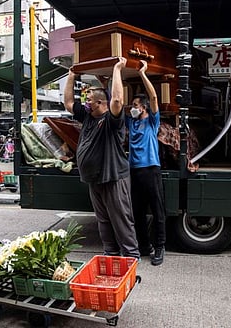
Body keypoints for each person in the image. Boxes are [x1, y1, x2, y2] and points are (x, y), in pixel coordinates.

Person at [64, 57, 140, 259]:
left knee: (121, 218)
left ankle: (131, 256)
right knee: (103, 219)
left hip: (113, 176)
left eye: (89, 100)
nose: (86, 103)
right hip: (95, 178)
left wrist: (117, 70)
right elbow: (69, 102)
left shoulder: (111, 120)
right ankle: (110, 252)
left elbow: (116, 100)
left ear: (99, 103)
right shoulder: (88, 116)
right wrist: (72, 75)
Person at [126, 60, 166, 265]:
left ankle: (159, 247)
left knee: (158, 211)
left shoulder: (152, 120)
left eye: (134, 106)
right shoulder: (131, 121)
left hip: (151, 169)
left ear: (143, 108)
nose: (131, 108)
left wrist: (143, 73)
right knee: (137, 212)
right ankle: (144, 246)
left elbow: (153, 96)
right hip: (134, 171)